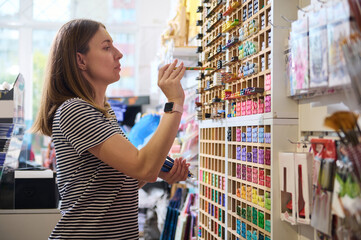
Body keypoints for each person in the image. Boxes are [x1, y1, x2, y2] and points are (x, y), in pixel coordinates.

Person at [32, 19, 189, 239]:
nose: (119, 54)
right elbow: (141, 166)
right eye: (107, 47)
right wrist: (174, 102)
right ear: (80, 60)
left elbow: (114, 186)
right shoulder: (74, 110)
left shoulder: (103, 112)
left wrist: (157, 171)